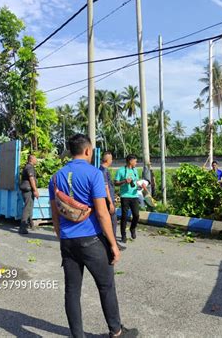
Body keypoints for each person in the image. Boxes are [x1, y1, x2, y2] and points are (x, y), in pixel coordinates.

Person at [49, 134, 138, 338]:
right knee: (106, 286)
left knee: (72, 291)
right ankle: (116, 332)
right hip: (92, 240)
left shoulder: (55, 177)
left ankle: (77, 336)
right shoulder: (94, 174)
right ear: (88, 150)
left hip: (68, 242)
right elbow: (101, 213)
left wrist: (62, 237)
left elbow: (54, 214)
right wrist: (113, 244)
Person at [99, 151, 126, 251]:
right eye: (111, 159)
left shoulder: (102, 170)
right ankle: (112, 243)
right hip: (107, 200)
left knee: (109, 221)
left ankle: (109, 242)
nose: (112, 161)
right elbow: (106, 188)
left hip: (107, 198)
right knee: (112, 221)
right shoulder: (103, 171)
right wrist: (110, 203)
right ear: (107, 160)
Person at [114, 154, 140, 243]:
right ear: (130, 161)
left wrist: (140, 185)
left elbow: (136, 182)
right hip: (125, 196)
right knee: (124, 216)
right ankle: (123, 235)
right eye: (135, 161)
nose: (136, 163)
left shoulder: (135, 170)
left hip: (134, 195)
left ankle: (132, 228)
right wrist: (125, 181)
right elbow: (116, 183)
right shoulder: (121, 170)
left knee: (136, 215)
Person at [19, 154, 39, 234]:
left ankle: (31, 224)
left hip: (27, 189)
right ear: (31, 159)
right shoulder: (29, 167)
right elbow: (31, 179)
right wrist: (35, 190)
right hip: (28, 190)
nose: (36, 160)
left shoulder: (28, 167)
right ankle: (22, 227)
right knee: (27, 207)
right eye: (35, 159)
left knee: (30, 206)